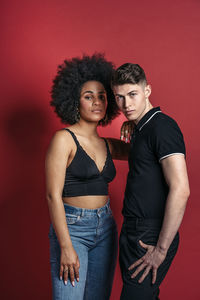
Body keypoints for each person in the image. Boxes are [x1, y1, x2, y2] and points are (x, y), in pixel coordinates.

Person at [45, 54, 129, 300]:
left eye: (102, 96)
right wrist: (66, 246)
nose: (97, 102)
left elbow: (144, 151)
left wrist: (134, 123)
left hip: (106, 228)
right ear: (74, 101)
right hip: (73, 230)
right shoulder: (63, 139)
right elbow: (52, 196)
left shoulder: (107, 144)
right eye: (88, 96)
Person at [111, 63, 190, 300]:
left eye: (133, 94)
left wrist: (161, 249)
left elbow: (181, 189)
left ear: (147, 91)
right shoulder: (142, 127)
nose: (126, 104)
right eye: (120, 97)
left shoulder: (162, 127)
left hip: (150, 234)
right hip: (133, 229)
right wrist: (133, 125)